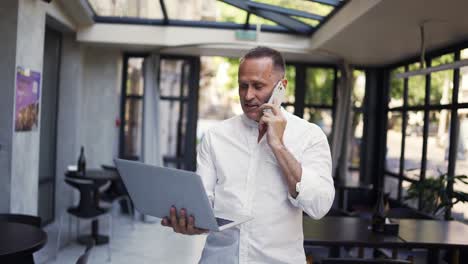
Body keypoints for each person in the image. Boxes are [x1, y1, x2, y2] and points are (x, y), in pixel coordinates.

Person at [161, 46, 335, 263]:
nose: (248, 95)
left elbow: (319, 205)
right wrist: (191, 223)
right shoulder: (216, 137)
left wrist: (278, 146)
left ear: (282, 87)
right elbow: (205, 203)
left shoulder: (310, 136)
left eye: (258, 86)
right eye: (243, 86)